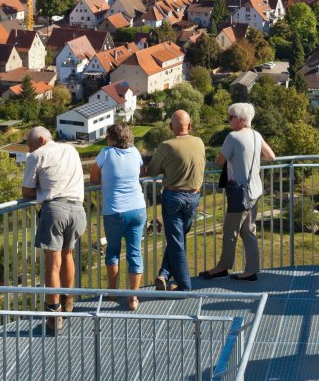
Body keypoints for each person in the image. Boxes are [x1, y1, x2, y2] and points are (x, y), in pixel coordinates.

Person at [21, 126, 86, 335]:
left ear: (40, 140)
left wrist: (42, 188)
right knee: (68, 255)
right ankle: (68, 302)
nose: (29, 150)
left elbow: (27, 191)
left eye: (30, 145)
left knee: (52, 263)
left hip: (55, 209)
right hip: (78, 210)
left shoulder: (36, 156)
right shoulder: (71, 149)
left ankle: (53, 312)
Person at [200, 103, 275, 283]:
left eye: (231, 116)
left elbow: (219, 161)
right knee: (248, 231)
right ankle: (251, 271)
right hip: (255, 191)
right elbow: (271, 156)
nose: (228, 120)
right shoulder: (256, 135)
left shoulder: (233, 137)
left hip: (239, 193)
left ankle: (222, 268)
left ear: (241, 119)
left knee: (230, 231)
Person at [148, 110, 206, 292]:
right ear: (189, 126)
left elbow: (151, 171)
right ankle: (164, 274)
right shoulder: (199, 142)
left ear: (171, 127)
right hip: (194, 197)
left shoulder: (166, 146)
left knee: (176, 241)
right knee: (177, 240)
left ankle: (184, 286)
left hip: (173, 197)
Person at [90, 123, 146, 311]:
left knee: (113, 251)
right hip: (138, 208)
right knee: (135, 252)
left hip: (115, 211)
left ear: (111, 139)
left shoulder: (106, 153)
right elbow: (140, 171)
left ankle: (113, 291)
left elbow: (94, 178)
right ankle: (133, 298)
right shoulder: (135, 152)